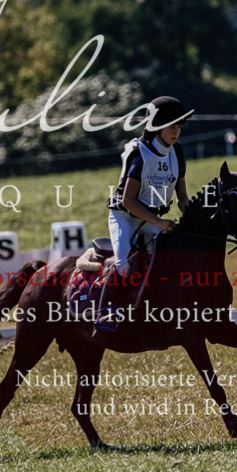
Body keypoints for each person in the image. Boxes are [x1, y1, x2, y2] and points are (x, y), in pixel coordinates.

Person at [93, 96, 192, 335]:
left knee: (173, 258)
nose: (177, 132)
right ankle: (104, 314)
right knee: (124, 266)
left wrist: (192, 217)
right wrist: (159, 222)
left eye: (179, 127)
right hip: (126, 217)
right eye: (173, 126)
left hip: (154, 219)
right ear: (156, 126)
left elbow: (182, 197)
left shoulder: (176, 152)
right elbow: (129, 200)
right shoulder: (140, 154)